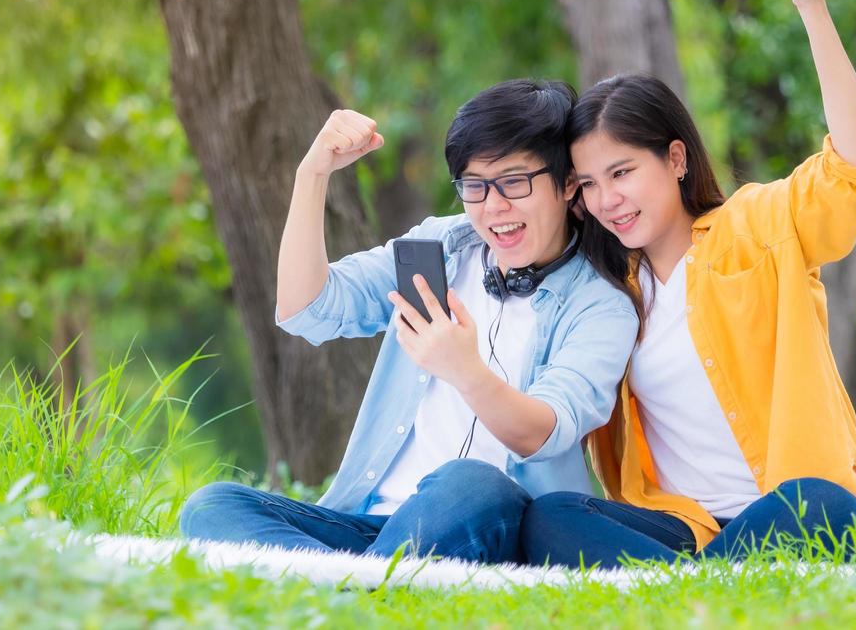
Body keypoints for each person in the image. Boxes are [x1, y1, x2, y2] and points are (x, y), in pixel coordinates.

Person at [521, 0, 856, 569]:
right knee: (553, 517)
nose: (607, 199)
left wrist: (813, 8)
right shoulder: (607, 293)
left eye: (622, 172)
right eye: (589, 183)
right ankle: (714, 578)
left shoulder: (759, 223)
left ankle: (696, 586)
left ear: (674, 159)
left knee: (821, 503)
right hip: (689, 529)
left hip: (798, 513)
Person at [180, 80, 638, 564]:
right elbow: (306, 308)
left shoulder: (600, 305)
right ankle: (361, 587)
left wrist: (465, 370)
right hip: (374, 526)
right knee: (211, 506)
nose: (493, 207)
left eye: (514, 182)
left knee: (471, 480)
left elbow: (543, 433)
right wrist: (312, 174)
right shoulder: (443, 247)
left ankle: (335, 587)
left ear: (568, 185)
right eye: (475, 186)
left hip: (489, 523)